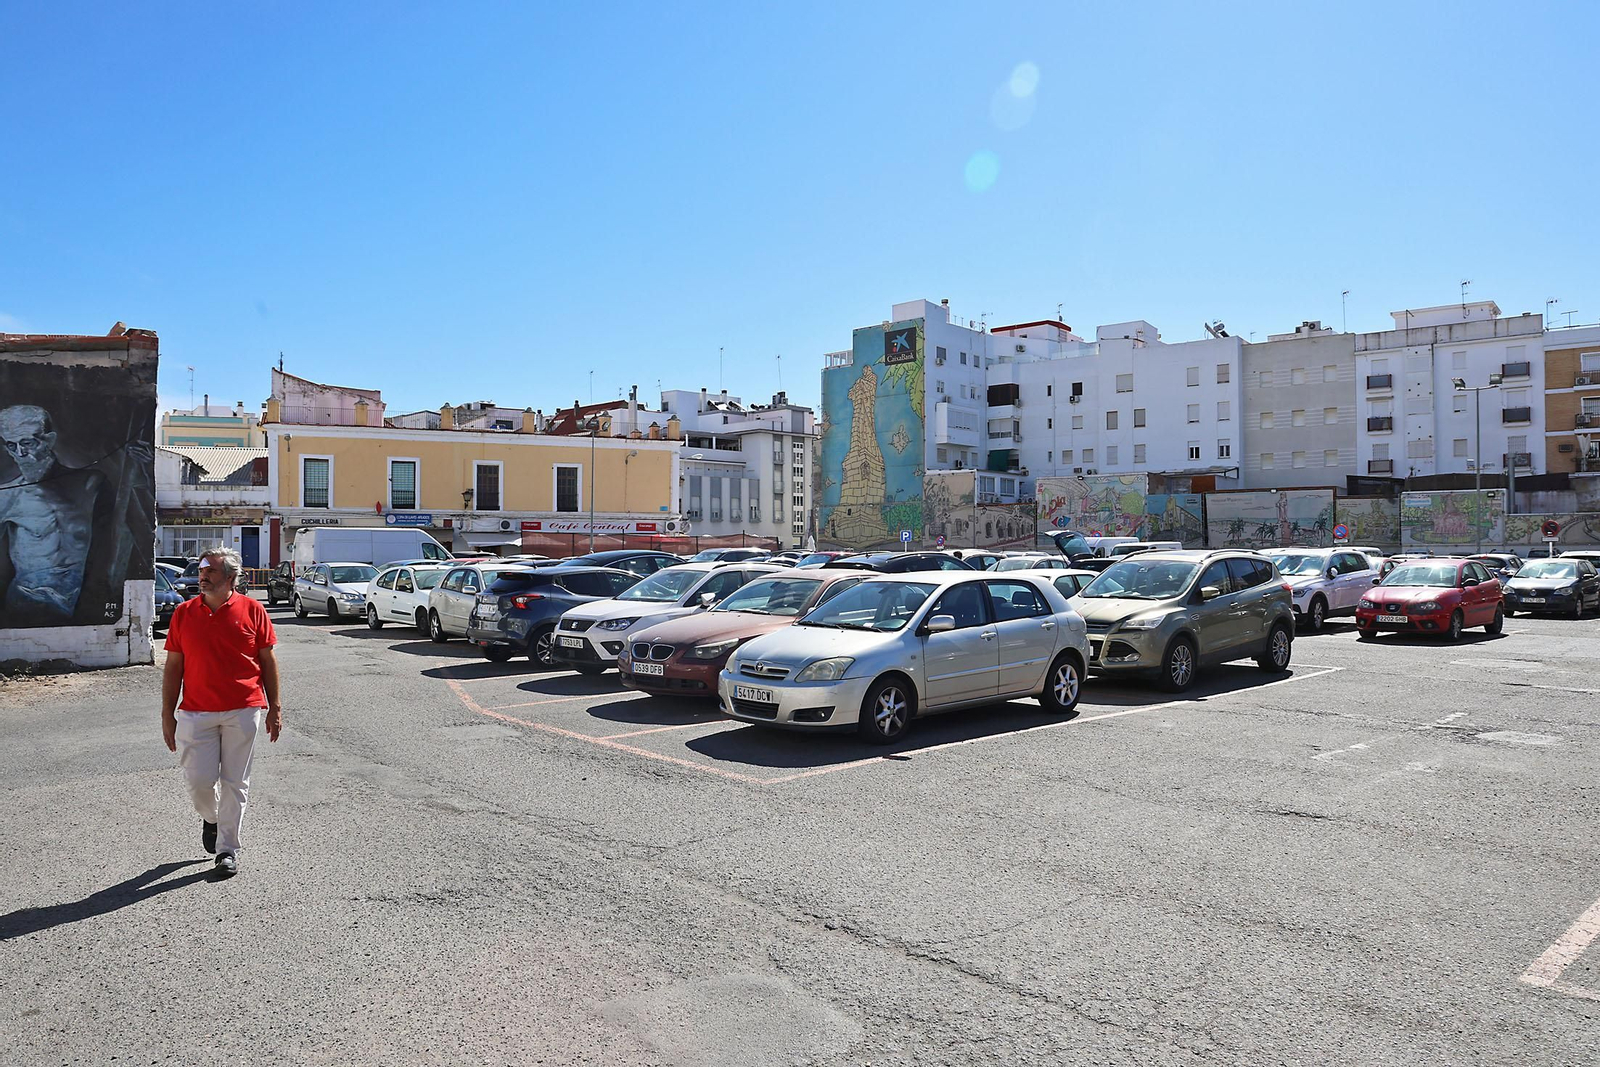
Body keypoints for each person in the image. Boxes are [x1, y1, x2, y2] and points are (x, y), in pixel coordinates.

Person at [160, 547, 281, 878]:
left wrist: (274, 706)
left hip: (244, 708)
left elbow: (267, 661)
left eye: (209, 571)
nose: (202, 576)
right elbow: (173, 667)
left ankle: (227, 849)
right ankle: (211, 818)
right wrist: (166, 713)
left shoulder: (253, 610)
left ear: (230, 578)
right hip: (195, 712)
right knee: (199, 781)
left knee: (235, 781)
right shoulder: (184, 614)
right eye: (201, 571)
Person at [0, 404, 112, 627]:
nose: (20, 454)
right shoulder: (9, 495)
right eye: (11, 446)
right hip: (27, 603)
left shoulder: (89, 485)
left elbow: (111, 544)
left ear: (49, 441)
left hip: (82, 604)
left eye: (27, 443)